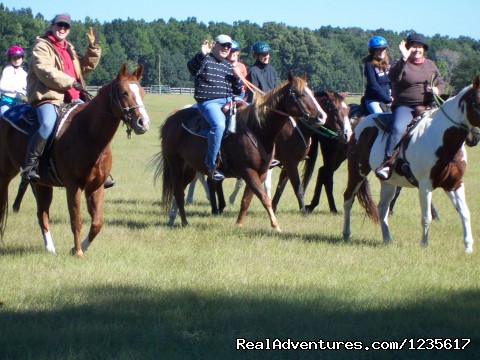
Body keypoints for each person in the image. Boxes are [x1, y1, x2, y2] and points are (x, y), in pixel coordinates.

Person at [22, 13, 102, 184]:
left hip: (73, 97)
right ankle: (30, 166)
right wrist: (71, 81)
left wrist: (94, 48)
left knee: (95, 122)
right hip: (49, 97)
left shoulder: (69, 48)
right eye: (59, 25)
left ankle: (98, 168)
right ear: (52, 26)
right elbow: (44, 70)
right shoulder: (42, 47)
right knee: (47, 123)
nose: (62, 29)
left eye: (66, 26)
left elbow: (83, 67)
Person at [375, 32, 445, 180]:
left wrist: (438, 90)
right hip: (405, 106)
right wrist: (404, 58)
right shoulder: (400, 62)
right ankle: (387, 163)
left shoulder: (431, 65)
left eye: (420, 47)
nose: (417, 50)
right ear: (407, 48)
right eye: (413, 46)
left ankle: (442, 161)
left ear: (424, 49)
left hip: (427, 105)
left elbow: (440, 81)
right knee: (398, 128)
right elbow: (393, 77)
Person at [187, 34, 244, 181]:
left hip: (229, 101)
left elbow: (237, 91)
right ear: (215, 44)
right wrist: (202, 54)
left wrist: (237, 77)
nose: (226, 48)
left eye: (228, 46)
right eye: (223, 45)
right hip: (209, 102)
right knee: (218, 125)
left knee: (253, 116)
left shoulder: (227, 65)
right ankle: (211, 165)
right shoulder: (205, 59)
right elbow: (191, 68)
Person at [362, 36, 392, 114]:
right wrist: (387, 99)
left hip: (388, 98)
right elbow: (373, 85)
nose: (382, 51)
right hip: (374, 99)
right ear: (372, 51)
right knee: (380, 117)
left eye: (383, 48)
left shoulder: (389, 62)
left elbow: (392, 81)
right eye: (378, 49)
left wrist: (394, 96)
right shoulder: (369, 64)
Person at [0, 45, 28, 115]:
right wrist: (15, 90)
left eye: (19, 58)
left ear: (22, 58)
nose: (17, 60)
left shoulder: (24, 73)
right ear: (10, 59)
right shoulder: (7, 70)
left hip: (19, 102)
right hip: (7, 102)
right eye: (14, 58)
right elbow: (1, 86)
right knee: (3, 117)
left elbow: (28, 87)